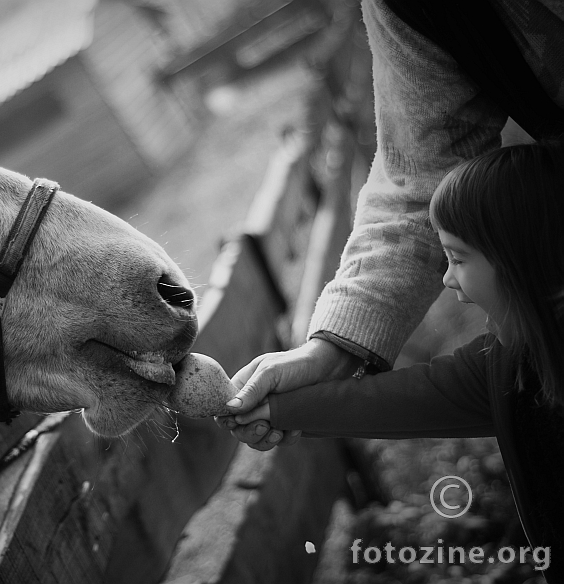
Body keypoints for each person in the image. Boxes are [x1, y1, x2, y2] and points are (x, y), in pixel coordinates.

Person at [217, 0, 564, 449]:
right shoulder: (521, 369)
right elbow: (419, 172)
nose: (446, 275)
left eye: (458, 257)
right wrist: (329, 355)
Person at [226, 141, 564, 580]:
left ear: (523, 257)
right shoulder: (511, 364)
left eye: (458, 259)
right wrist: (274, 407)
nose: (446, 279)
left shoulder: (514, 362)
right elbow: (410, 399)